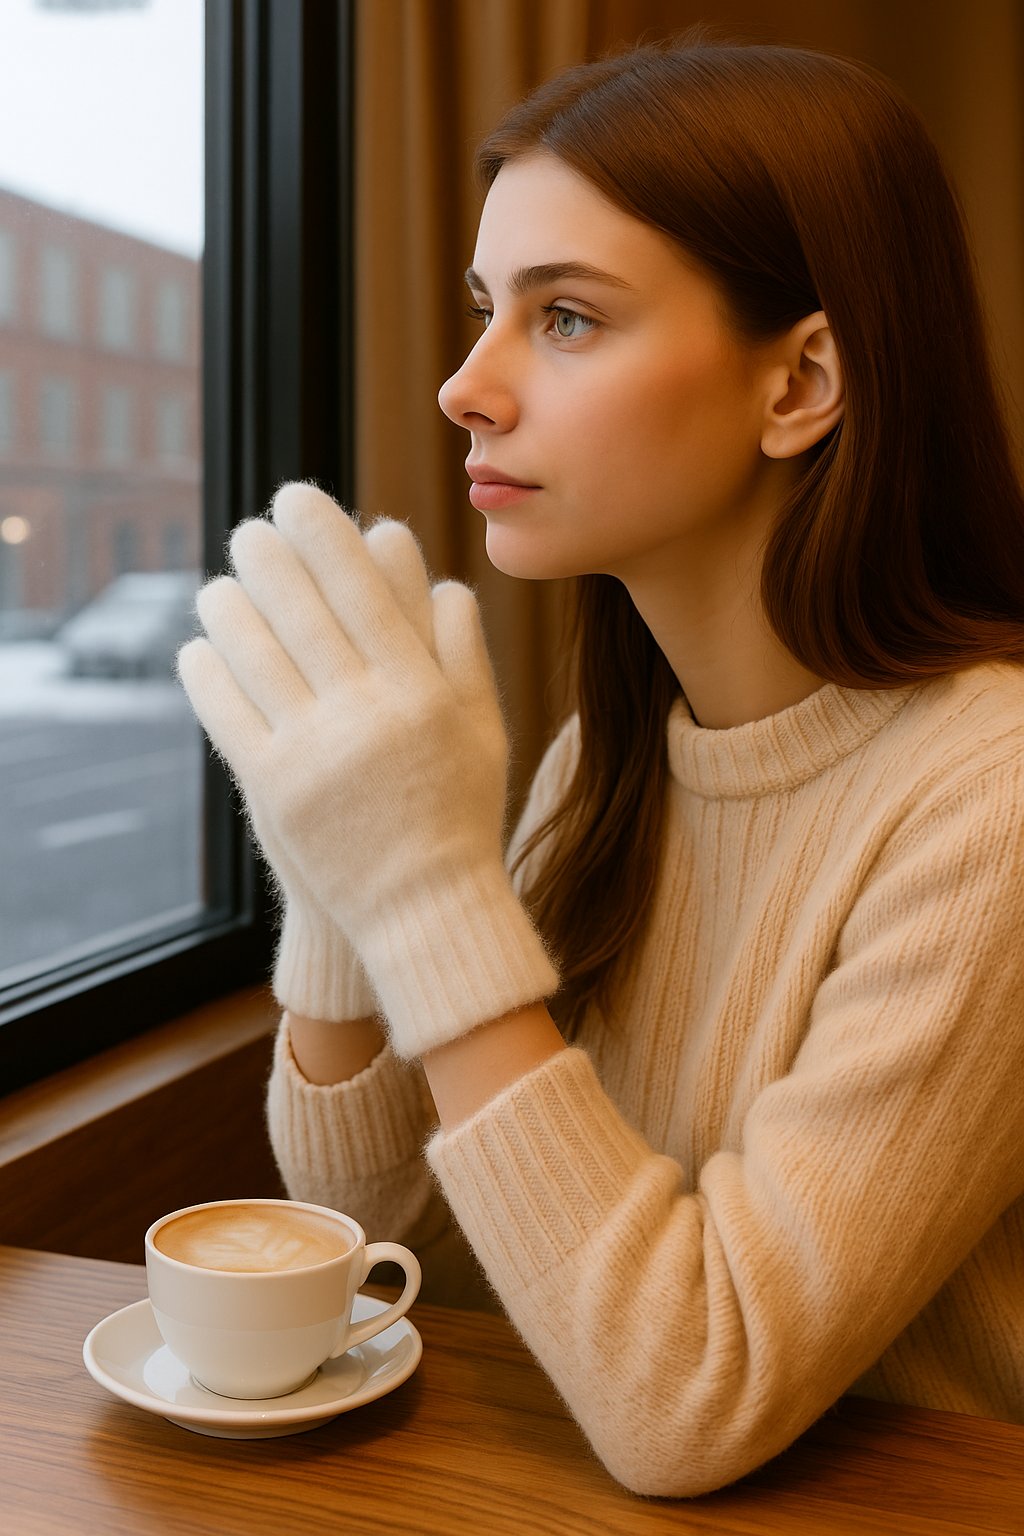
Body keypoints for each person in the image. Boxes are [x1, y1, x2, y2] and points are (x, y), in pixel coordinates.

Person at [178, 36, 1024, 1498]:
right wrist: (342, 887)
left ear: (802, 381)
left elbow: (689, 1400)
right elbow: (404, 1250)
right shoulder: (607, 764)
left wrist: (429, 884)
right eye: (482, 312)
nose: (464, 387)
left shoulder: (989, 804)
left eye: (564, 318)